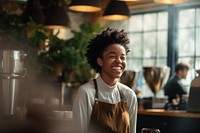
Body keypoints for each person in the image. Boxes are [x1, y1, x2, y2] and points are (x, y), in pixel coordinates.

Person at [72, 27, 138, 133]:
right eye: (112, 56)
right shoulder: (86, 93)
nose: (119, 61)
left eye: (123, 57)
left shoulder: (129, 95)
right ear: (100, 61)